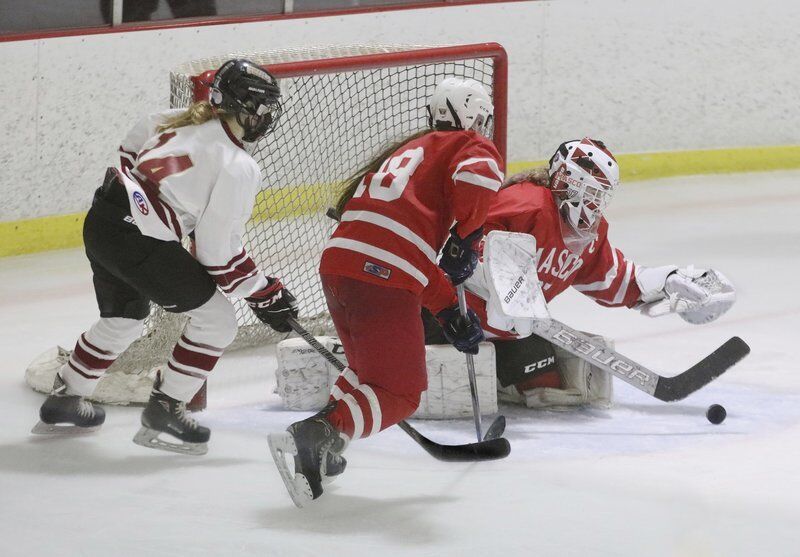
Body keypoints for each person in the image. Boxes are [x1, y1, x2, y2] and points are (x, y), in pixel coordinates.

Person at [32, 59, 298, 455]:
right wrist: (265, 292)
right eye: (263, 108)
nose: (266, 118)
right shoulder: (238, 165)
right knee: (218, 321)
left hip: (102, 221)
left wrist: (163, 213)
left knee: (122, 319)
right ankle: (167, 408)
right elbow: (218, 254)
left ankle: (66, 397)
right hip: (139, 243)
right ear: (247, 108)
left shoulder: (174, 118)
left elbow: (126, 154)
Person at [268, 77, 505, 506]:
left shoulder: (407, 153)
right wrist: (467, 235)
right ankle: (317, 433)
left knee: (368, 376)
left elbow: (405, 252)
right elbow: (481, 173)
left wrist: (451, 312)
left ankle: (324, 446)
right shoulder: (468, 146)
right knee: (400, 393)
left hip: (339, 267)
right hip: (381, 273)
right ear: (474, 116)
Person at [424, 137, 736, 409]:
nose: (596, 205)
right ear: (569, 182)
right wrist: (493, 279)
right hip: (452, 318)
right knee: (451, 391)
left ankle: (496, 378)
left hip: (509, 333)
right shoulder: (524, 205)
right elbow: (457, 250)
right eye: (592, 193)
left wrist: (666, 283)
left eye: (602, 196)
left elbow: (613, 280)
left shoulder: (589, 235)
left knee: (549, 390)